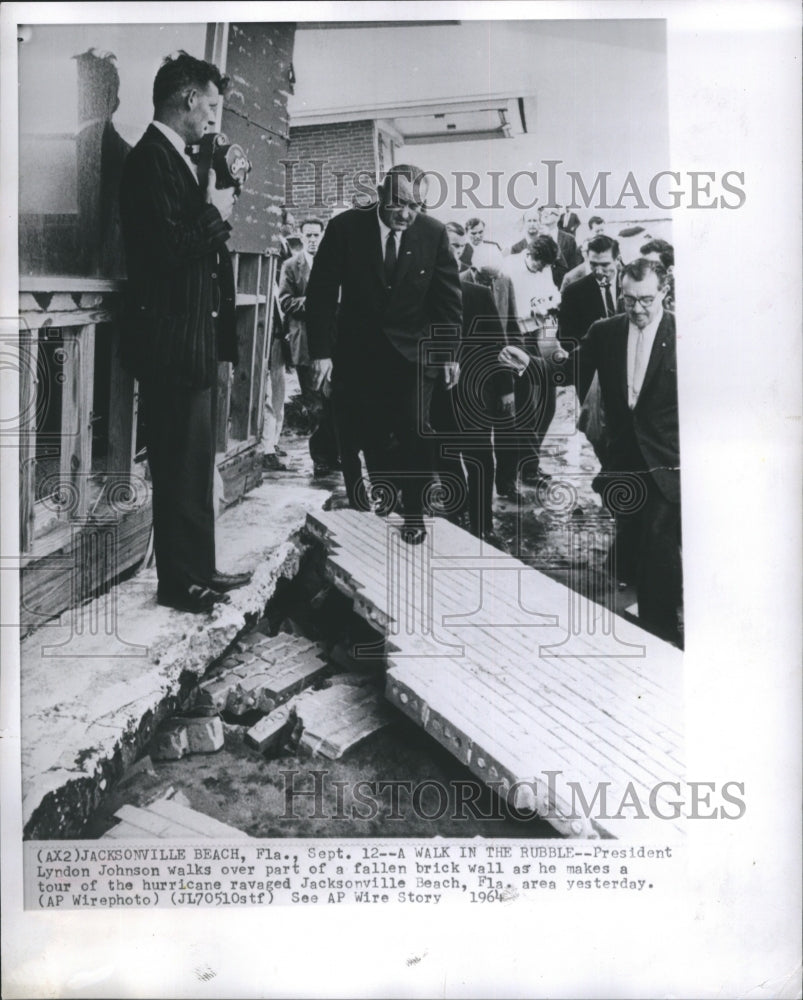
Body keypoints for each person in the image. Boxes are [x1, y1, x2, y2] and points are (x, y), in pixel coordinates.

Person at [119, 51, 251, 613]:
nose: (214, 120)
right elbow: (169, 249)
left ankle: (201, 569)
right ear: (189, 99)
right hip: (172, 340)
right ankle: (179, 583)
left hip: (191, 337)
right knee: (177, 465)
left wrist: (212, 202)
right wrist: (216, 209)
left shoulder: (173, 158)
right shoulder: (151, 159)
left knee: (195, 465)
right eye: (212, 106)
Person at [305, 164, 462, 544]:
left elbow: (448, 301)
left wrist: (449, 353)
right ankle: (375, 499)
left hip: (411, 353)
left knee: (414, 429)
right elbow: (321, 294)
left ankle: (413, 513)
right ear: (379, 193)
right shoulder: (345, 228)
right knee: (365, 432)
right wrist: (321, 354)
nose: (406, 214)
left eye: (416, 206)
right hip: (358, 353)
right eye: (399, 204)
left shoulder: (433, 233)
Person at [556, 259, 682, 646]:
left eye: (646, 300)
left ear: (664, 291)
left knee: (658, 540)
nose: (638, 309)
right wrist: (532, 360)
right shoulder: (606, 332)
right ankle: (659, 604)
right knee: (638, 537)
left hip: (668, 459)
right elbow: (570, 371)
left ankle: (659, 636)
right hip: (625, 459)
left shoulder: (685, 334)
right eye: (629, 300)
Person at [429, 223, 514, 542]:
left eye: (456, 246)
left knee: (480, 458)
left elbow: (497, 345)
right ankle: (455, 512)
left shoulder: (477, 294)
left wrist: (505, 389)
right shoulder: (421, 295)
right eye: (445, 246)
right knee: (444, 456)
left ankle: (482, 524)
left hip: (477, 395)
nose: (451, 252)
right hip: (437, 395)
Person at [496, 235, 562, 495]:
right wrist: (531, 311)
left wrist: (549, 304)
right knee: (527, 404)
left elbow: (554, 294)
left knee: (549, 401)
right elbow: (506, 308)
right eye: (538, 263)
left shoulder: (544, 268)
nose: (540, 268)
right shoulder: (509, 267)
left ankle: (530, 461)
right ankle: (528, 467)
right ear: (530, 254)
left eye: (545, 265)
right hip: (518, 335)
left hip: (542, 332)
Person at [277, 217, 339, 476]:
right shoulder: (291, 266)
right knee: (315, 404)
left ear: (323, 235)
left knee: (335, 402)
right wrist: (316, 303)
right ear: (300, 238)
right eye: (308, 236)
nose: (313, 240)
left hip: (334, 344)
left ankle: (333, 453)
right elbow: (286, 302)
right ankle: (320, 457)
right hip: (305, 346)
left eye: (317, 235)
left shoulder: (335, 264)